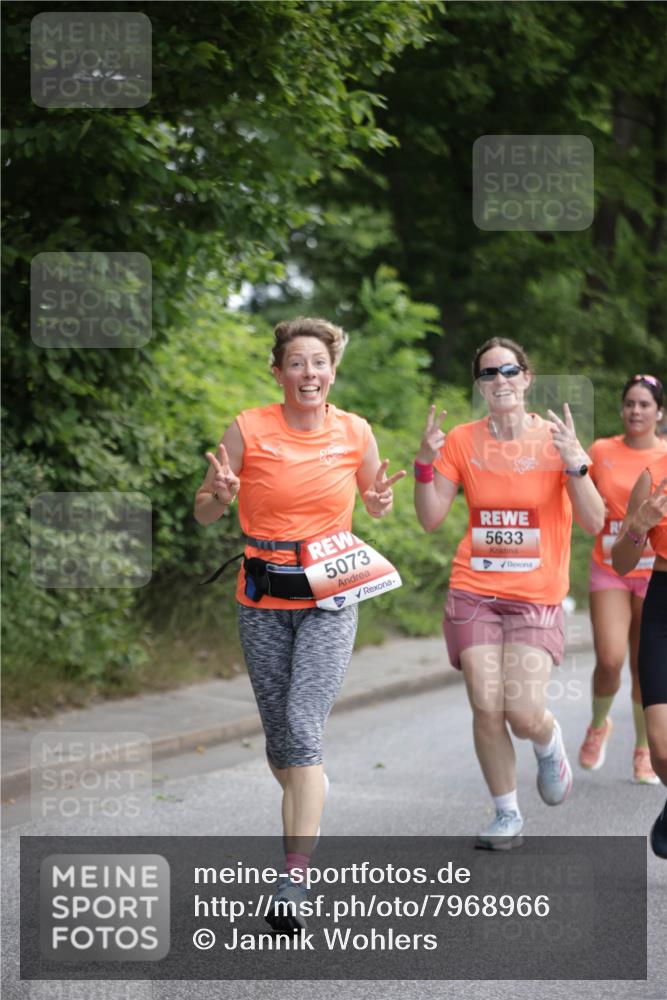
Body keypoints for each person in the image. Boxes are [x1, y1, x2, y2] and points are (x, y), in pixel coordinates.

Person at [194, 316, 405, 928]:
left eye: (319, 362)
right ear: (278, 371)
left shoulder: (354, 432)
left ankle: (293, 882)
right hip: (261, 595)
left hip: (331, 597)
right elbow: (206, 512)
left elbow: (373, 498)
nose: (308, 373)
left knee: (301, 721)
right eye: (296, 363)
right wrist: (221, 494)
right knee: (281, 741)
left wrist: (380, 502)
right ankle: (308, 789)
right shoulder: (248, 428)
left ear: (332, 369)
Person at [414, 337, 605, 849]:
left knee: (521, 712)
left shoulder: (556, 439)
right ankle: (506, 814)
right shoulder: (461, 440)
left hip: (535, 595)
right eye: (487, 374)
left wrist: (575, 464)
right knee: (486, 704)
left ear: (526, 378)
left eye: (508, 371)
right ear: (479, 385)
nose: (498, 381)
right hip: (474, 588)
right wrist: (424, 465)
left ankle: (547, 741)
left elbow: (594, 520)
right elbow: (431, 518)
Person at [580, 375, 666, 782]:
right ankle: (599, 724)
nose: (635, 411)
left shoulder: (663, 456)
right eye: (629, 403)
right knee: (611, 657)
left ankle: (644, 750)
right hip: (613, 563)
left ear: (659, 413)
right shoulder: (602, 451)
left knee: (641, 663)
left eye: (644, 404)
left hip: (655, 570)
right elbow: (579, 497)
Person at [612, 456, 667, 858]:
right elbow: (620, 561)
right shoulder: (654, 474)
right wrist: (640, 525)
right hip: (663, 607)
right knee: (662, 750)